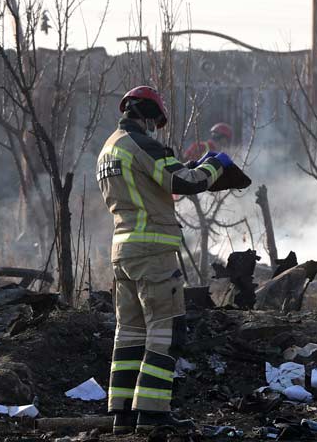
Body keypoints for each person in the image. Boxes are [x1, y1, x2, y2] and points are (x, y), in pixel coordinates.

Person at [96, 86, 234, 433]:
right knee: (166, 331)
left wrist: (185, 166)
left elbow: (152, 183)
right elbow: (181, 181)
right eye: (156, 121)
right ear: (147, 114)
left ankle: (123, 416)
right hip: (153, 251)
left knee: (129, 333)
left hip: (123, 251)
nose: (157, 128)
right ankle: (154, 417)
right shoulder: (140, 143)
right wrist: (216, 167)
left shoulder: (108, 148)